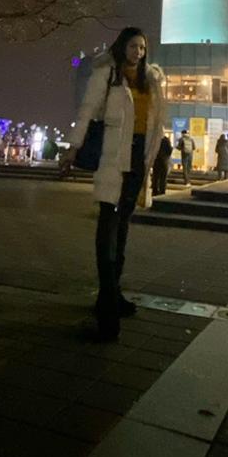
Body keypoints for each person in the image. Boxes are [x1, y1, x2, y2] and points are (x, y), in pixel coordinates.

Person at [61, 26, 165, 342]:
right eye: (134, 46)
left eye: (143, 47)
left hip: (137, 160)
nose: (139, 52)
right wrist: (73, 145)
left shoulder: (151, 81)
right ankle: (108, 311)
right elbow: (88, 110)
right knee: (108, 225)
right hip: (112, 157)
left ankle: (112, 293)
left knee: (121, 229)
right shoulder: (107, 74)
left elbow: (156, 122)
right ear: (122, 46)